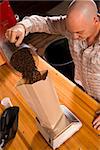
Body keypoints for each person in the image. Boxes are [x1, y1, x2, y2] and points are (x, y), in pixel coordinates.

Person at [5, 0, 100, 130]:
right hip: (83, 90)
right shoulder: (73, 28)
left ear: (95, 20)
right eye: (71, 32)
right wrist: (22, 26)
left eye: (79, 32)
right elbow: (47, 23)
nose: (73, 36)